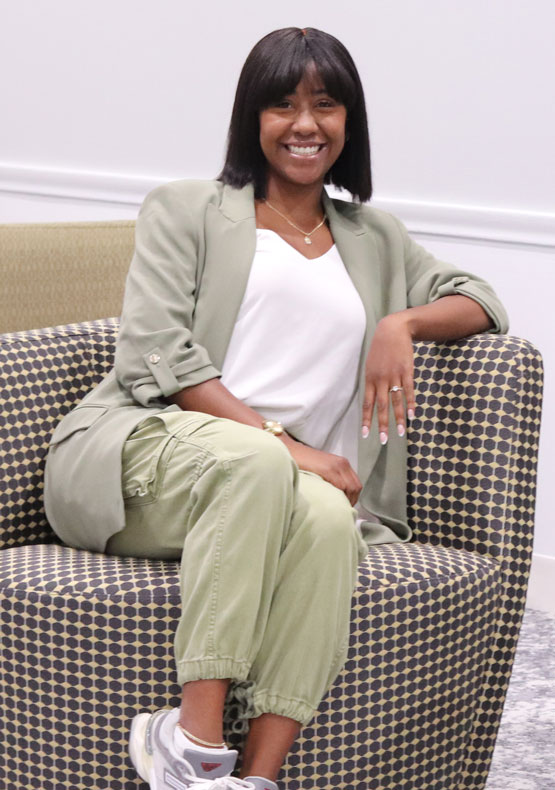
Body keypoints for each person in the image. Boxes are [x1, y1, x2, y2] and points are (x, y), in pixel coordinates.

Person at [44, 26, 509, 790]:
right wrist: (285, 446)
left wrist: (402, 323)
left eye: (324, 105)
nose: (304, 124)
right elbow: (154, 351)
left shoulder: (374, 237)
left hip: (283, 490)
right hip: (150, 460)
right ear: (250, 118)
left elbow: (481, 301)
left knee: (330, 521)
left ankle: (253, 779)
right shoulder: (188, 208)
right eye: (282, 104)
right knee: (262, 464)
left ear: (348, 123)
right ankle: (190, 741)